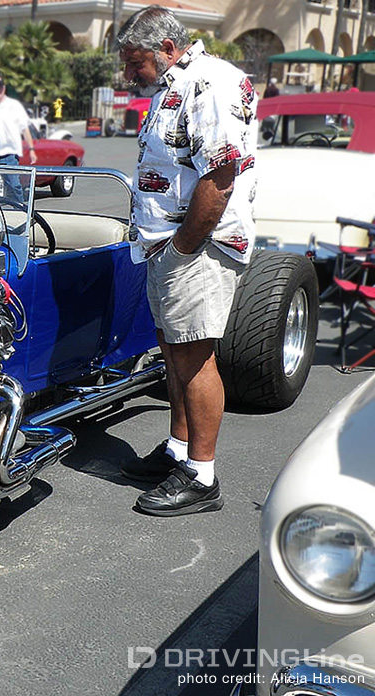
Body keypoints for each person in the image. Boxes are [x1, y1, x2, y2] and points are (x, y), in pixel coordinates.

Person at [116, 6, 258, 516]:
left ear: (167, 49)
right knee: (175, 351)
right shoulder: (174, 84)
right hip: (169, 245)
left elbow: (220, 177)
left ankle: (202, 475)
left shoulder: (210, 84)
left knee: (194, 356)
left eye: (135, 63)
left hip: (197, 247)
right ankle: (179, 450)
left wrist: (182, 246)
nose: (128, 74)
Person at [0, 75, 36, 203]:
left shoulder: (14, 105)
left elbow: (25, 129)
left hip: (10, 155)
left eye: (0, 87)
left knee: (14, 186)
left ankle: (20, 209)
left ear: (4, 88)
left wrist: (31, 150)